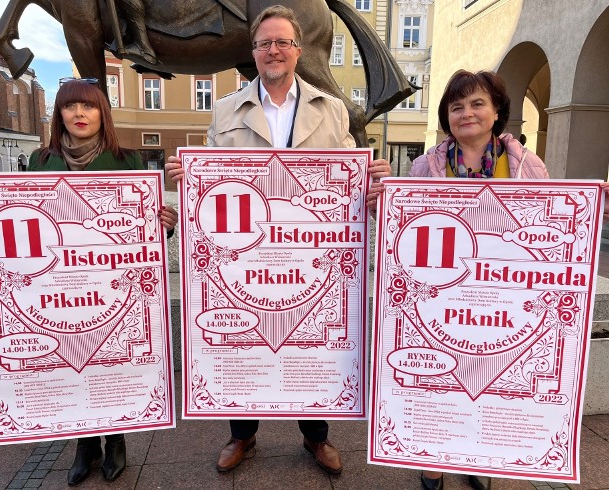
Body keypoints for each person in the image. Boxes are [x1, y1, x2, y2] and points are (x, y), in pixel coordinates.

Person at [165, 4, 390, 475]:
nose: (273, 50)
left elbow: (349, 183)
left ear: (297, 49)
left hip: (307, 253)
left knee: (312, 342)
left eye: (282, 42)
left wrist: (372, 181)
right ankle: (242, 435)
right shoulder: (227, 109)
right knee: (242, 338)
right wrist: (189, 176)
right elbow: (211, 183)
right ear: (253, 52)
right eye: (264, 43)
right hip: (246, 254)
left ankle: (316, 437)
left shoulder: (330, 111)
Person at [29, 79, 178, 486]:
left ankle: (115, 439)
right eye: (70, 107)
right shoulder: (41, 161)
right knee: (71, 360)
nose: (79, 114)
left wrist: (164, 224)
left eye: (89, 107)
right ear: (59, 115)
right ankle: (84, 443)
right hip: (60, 283)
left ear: (102, 114)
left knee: (110, 359)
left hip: (112, 282)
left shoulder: (127, 160)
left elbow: (142, 227)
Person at [410, 69, 549, 490]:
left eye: (477, 103)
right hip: (441, 295)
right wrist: (379, 203)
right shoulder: (425, 166)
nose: (466, 113)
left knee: (487, 378)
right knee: (440, 381)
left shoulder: (527, 165)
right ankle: (433, 461)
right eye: (456, 107)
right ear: (446, 117)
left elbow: (549, 227)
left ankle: (473, 456)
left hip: (500, 296)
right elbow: (405, 227)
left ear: (496, 112)